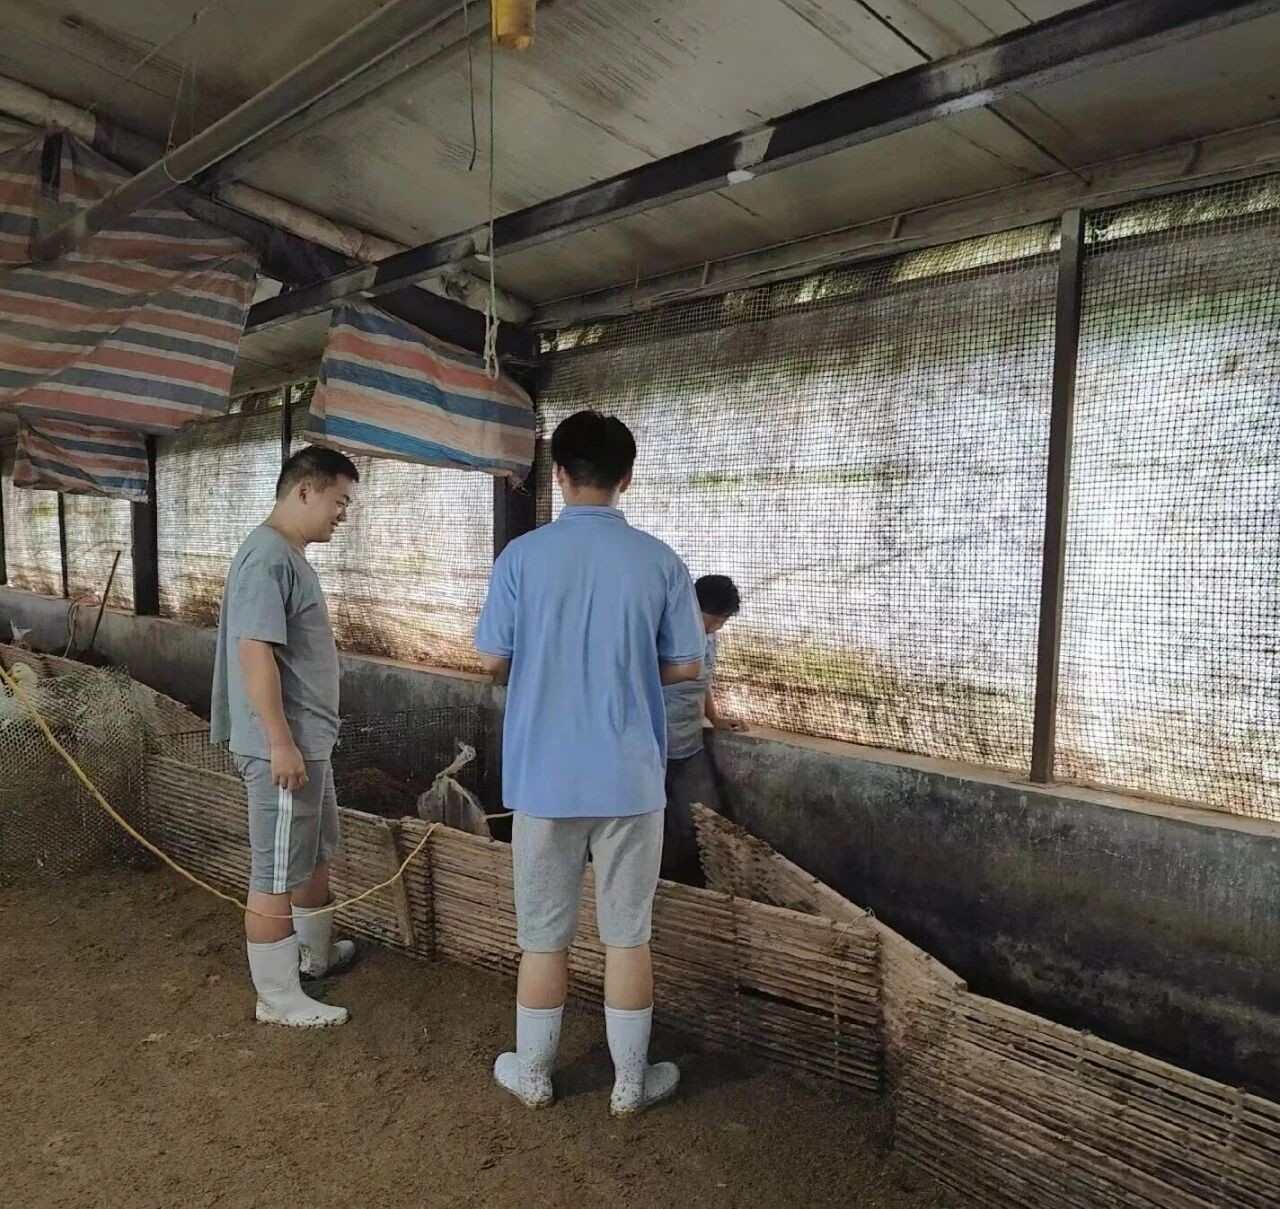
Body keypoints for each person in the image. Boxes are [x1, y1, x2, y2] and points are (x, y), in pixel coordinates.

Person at [475, 409, 705, 1116]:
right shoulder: (660, 561)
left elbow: (492, 660)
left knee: (544, 937)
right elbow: (687, 663)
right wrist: (626, 667)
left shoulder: (521, 558)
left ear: (560, 475)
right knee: (628, 935)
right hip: (630, 778)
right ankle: (631, 1083)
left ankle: (534, 1074)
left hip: (544, 778)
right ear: (626, 478)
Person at [210, 445, 361, 1028]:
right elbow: (255, 652)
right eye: (339, 500)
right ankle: (276, 996)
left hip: (306, 742)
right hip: (282, 746)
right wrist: (279, 741)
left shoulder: (288, 555)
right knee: (275, 871)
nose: (343, 513)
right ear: (304, 490)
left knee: (312, 852)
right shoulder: (268, 557)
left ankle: (313, 955)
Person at [661, 574, 744, 885]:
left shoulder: (709, 638)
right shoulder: (665, 633)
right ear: (693, 608)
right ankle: (664, 881)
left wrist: (714, 718)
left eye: (723, 621)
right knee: (658, 820)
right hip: (656, 745)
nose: (717, 627)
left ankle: (692, 882)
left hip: (690, 742)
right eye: (715, 619)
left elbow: (702, 681)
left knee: (702, 815)